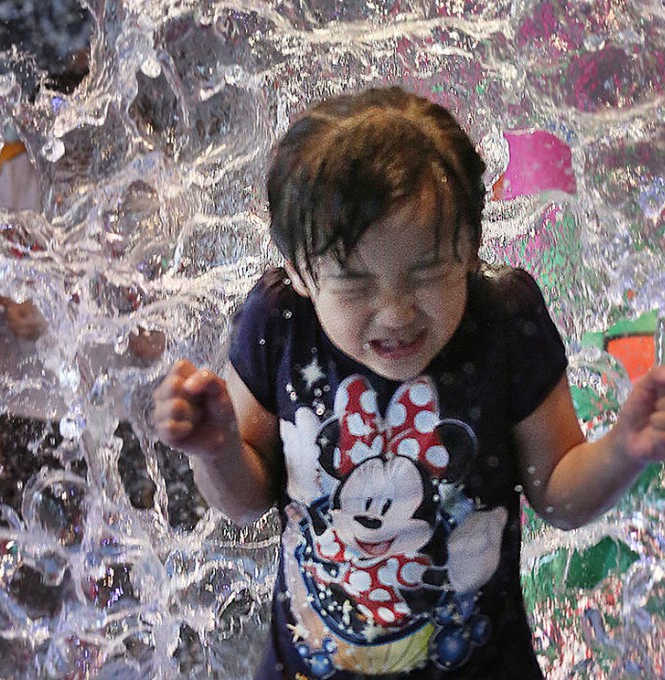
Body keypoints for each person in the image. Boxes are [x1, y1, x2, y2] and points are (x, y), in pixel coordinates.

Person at [152, 86, 665, 679]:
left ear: (472, 249)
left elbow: (556, 493)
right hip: (310, 664)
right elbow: (246, 502)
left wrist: (622, 450)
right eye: (354, 283)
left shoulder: (504, 322)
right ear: (297, 270)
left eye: (426, 272)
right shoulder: (280, 325)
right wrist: (216, 449)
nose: (395, 312)